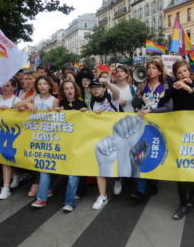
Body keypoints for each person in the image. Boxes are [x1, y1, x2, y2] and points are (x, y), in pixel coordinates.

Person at [148, 60, 194, 219]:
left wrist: (188, 88)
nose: (182, 75)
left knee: (192, 164)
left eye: (184, 71)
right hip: (179, 132)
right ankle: (183, 203)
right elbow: (163, 101)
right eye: (179, 73)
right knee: (181, 167)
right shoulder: (174, 87)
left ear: (189, 72)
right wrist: (172, 87)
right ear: (175, 75)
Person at [31, 80, 87, 212]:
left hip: (75, 144)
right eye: (66, 88)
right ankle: (41, 198)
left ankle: (69, 202)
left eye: (71, 88)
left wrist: (85, 112)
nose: (69, 90)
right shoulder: (59, 103)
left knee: (73, 173)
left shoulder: (82, 104)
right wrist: (54, 111)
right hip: (58, 143)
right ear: (63, 91)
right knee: (45, 168)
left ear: (75, 89)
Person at [15, 76, 60, 199]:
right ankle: (41, 185)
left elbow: (57, 119)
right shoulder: (35, 97)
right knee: (37, 160)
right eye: (39, 84)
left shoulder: (54, 100)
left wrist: (51, 112)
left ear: (49, 86)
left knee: (46, 161)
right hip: (34, 134)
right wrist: (29, 103)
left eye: (45, 83)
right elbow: (17, 105)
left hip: (48, 135)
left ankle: (47, 186)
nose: (42, 86)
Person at [130, 59, 167, 200]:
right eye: (148, 68)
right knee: (141, 154)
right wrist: (138, 92)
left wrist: (152, 111)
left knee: (154, 154)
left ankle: (153, 181)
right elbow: (135, 104)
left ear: (159, 71)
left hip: (158, 126)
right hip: (143, 125)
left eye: (153, 68)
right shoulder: (142, 86)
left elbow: (168, 107)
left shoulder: (164, 87)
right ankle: (140, 189)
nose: (150, 70)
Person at [89, 77, 120, 210]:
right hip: (101, 140)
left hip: (117, 137)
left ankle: (118, 179)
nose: (95, 90)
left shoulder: (111, 97)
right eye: (93, 88)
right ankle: (102, 196)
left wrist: (107, 83)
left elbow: (117, 93)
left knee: (118, 164)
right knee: (99, 166)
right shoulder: (91, 103)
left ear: (103, 88)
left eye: (98, 87)